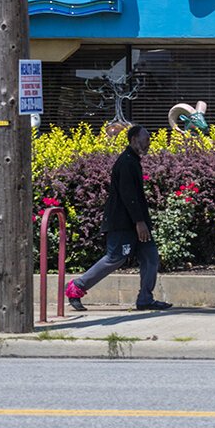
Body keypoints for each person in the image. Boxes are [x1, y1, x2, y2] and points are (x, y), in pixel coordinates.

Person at [65, 125, 172, 312]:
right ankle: (77, 287)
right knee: (115, 258)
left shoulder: (133, 161)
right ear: (133, 140)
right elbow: (128, 194)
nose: (149, 143)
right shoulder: (126, 162)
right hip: (123, 222)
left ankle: (145, 299)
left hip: (136, 222)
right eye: (146, 139)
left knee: (150, 257)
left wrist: (142, 222)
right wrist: (139, 222)